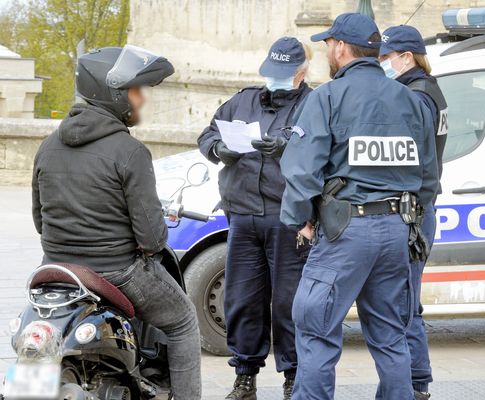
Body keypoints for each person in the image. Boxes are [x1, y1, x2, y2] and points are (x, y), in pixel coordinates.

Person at [279, 13, 438, 400]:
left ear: (340, 48)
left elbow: (302, 171)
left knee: (316, 331)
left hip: (344, 233)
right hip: (395, 231)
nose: (327, 52)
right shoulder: (411, 99)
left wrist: (300, 219)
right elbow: (429, 177)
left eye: (328, 45)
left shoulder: (328, 97)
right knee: (391, 337)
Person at [31, 46, 202, 399]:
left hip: (57, 271)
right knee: (183, 322)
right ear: (115, 95)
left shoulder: (47, 146)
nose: (141, 100)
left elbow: (38, 219)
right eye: (136, 91)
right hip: (116, 272)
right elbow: (152, 239)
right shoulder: (130, 152)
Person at [197, 37, 312, 400]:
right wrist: (219, 148)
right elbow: (207, 134)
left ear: (301, 72)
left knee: (289, 303)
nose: (274, 80)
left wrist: (288, 148)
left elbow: (327, 151)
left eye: (283, 74)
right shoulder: (243, 99)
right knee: (243, 300)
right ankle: (244, 377)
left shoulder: (314, 104)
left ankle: (294, 377)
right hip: (244, 215)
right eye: (271, 73)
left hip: (289, 218)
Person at [380, 25, 449, 400]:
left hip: (413, 211)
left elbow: (415, 161)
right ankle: (415, 379)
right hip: (419, 208)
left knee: (402, 302)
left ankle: (415, 385)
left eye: (386, 57)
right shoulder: (426, 89)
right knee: (406, 299)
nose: (382, 63)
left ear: (407, 57)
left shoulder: (416, 97)